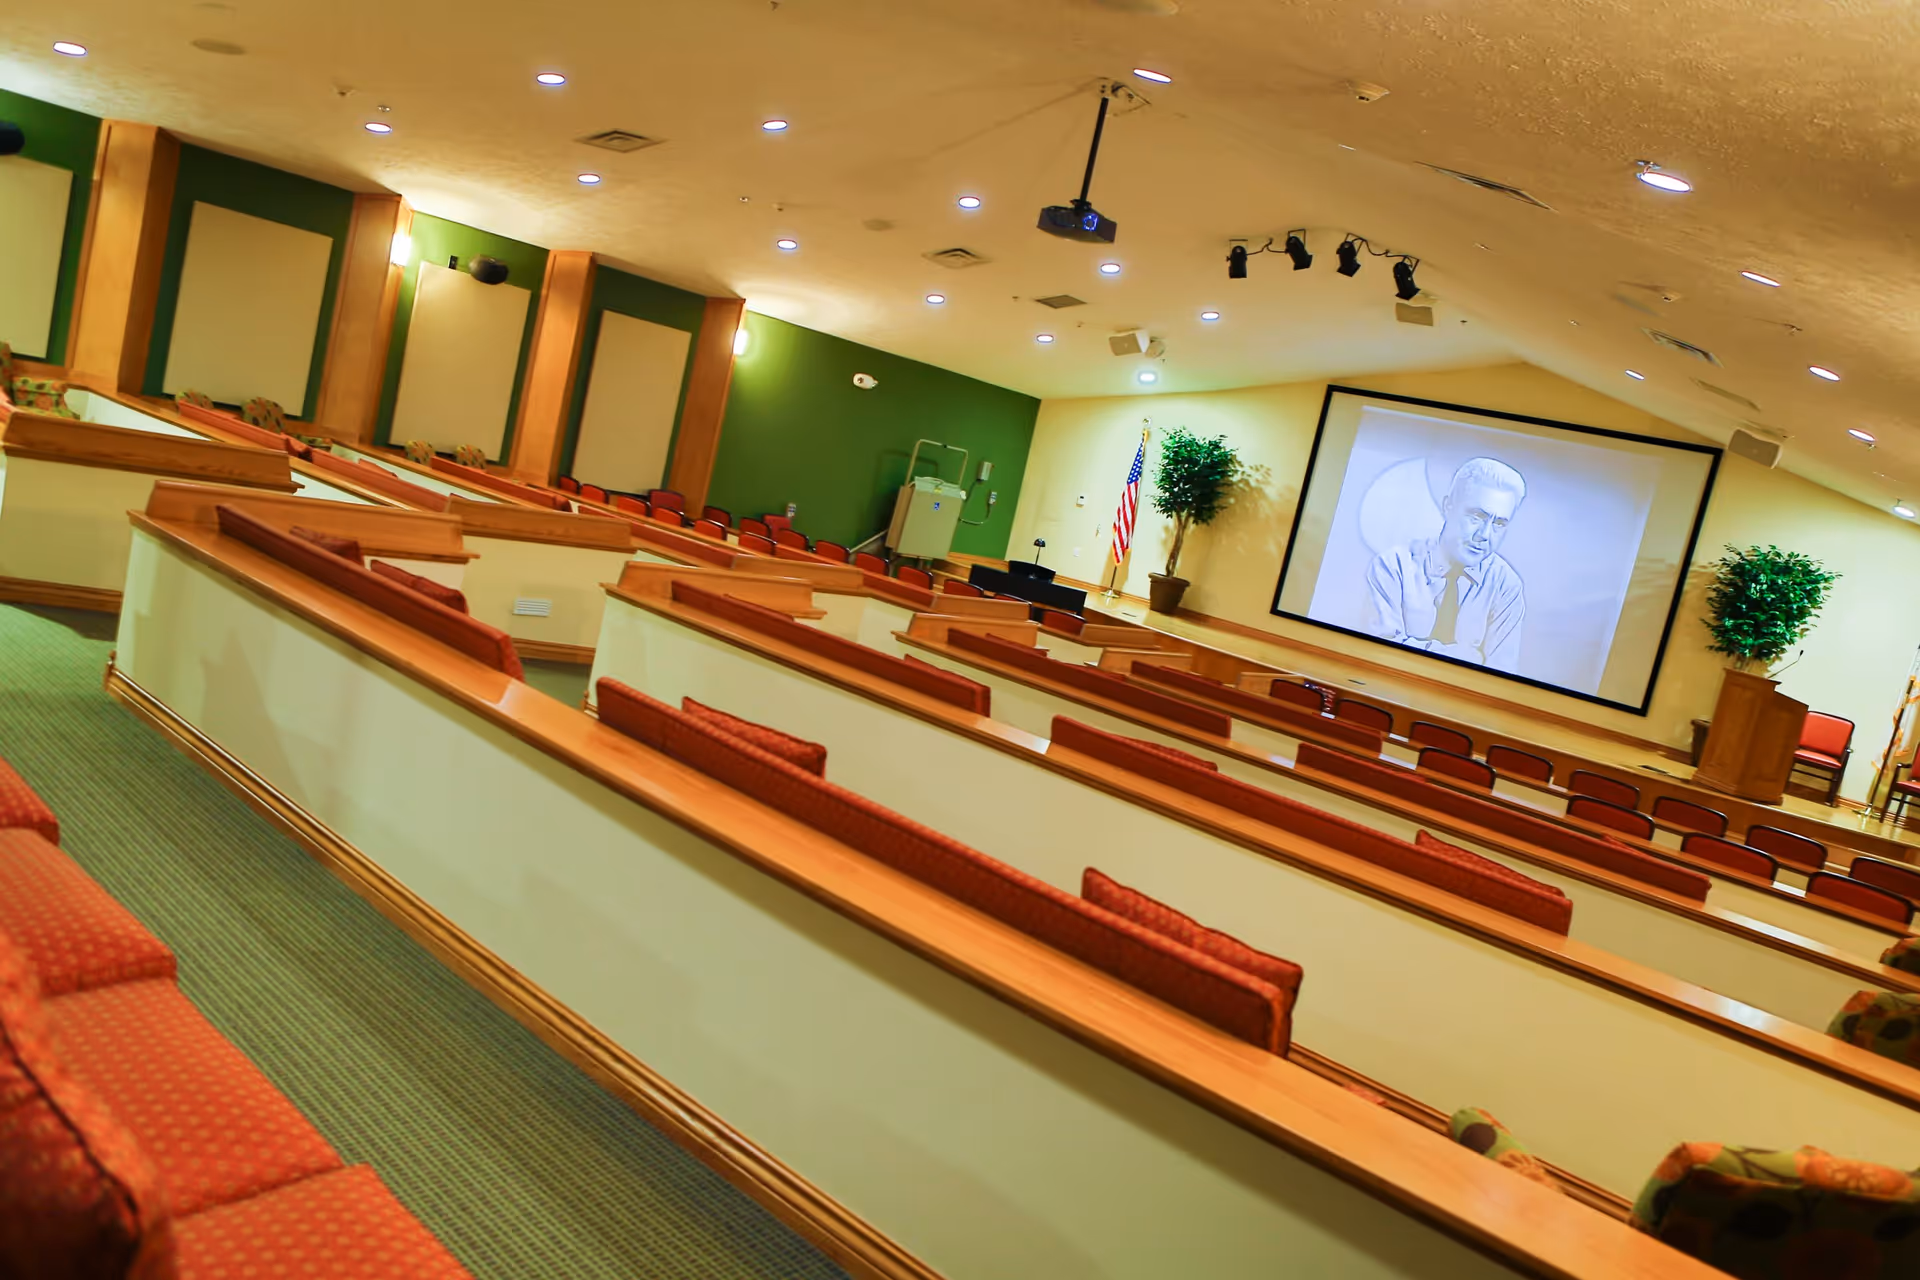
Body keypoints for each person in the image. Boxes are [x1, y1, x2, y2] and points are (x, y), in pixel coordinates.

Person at [1365, 457, 1527, 671]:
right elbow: (1380, 653)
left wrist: (1410, 645)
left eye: (1498, 524)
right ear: (1447, 506)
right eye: (1477, 516)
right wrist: (1471, 658)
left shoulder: (1506, 586)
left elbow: (1500, 675)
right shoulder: (1393, 566)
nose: (1484, 535)